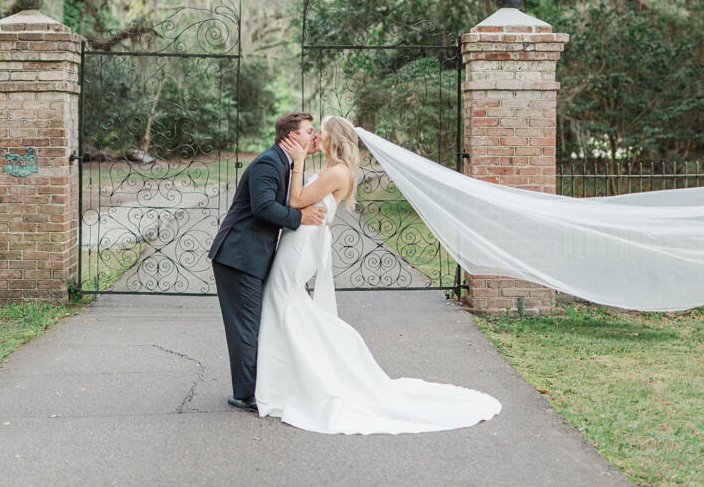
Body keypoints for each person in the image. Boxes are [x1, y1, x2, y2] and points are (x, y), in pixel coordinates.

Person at [254, 115, 501, 434]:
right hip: (300, 239)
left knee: (282, 297)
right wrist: (308, 155)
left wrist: (300, 160)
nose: (317, 137)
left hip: (303, 243)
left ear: (334, 139)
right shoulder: (332, 166)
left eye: (322, 133)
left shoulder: (338, 171)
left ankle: (299, 374)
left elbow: (297, 200)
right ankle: (289, 374)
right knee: (285, 300)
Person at [208, 112, 327, 412]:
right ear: (291, 137)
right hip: (238, 255)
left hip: (253, 256)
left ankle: (256, 386)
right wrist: (300, 217)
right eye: (309, 131)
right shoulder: (268, 162)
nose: (313, 136)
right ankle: (247, 394)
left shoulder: (287, 163)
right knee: (246, 326)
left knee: (254, 322)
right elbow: (263, 207)